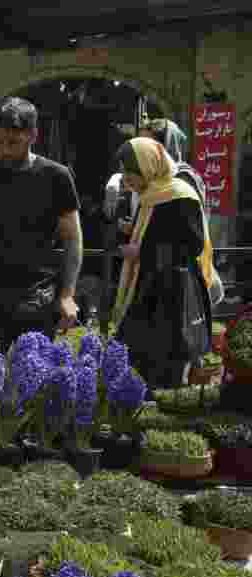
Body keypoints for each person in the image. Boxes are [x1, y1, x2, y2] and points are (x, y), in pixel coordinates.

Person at [0, 97, 83, 346]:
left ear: (33, 135)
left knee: (35, 376)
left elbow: (73, 239)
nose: (3, 150)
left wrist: (67, 295)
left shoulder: (56, 176)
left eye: (12, 143)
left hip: (38, 295)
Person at [112, 137, 212, 388]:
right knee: (137, 358)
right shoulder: (149, 195)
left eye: (130, 171)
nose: (125, 178)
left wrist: (142, 253)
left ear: (147, 166)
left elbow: (192, 245)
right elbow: (151, 233)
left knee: (165, 361)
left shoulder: (180, 194)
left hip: (173, 293)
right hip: (147, 286)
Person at [138, 117, 223, 306]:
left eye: (149, 144)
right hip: (159, 274)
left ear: (166, 145)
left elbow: (188, 237)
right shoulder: (156, 180)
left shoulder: (182, 179)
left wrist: (143, 249)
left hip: (181, 277)